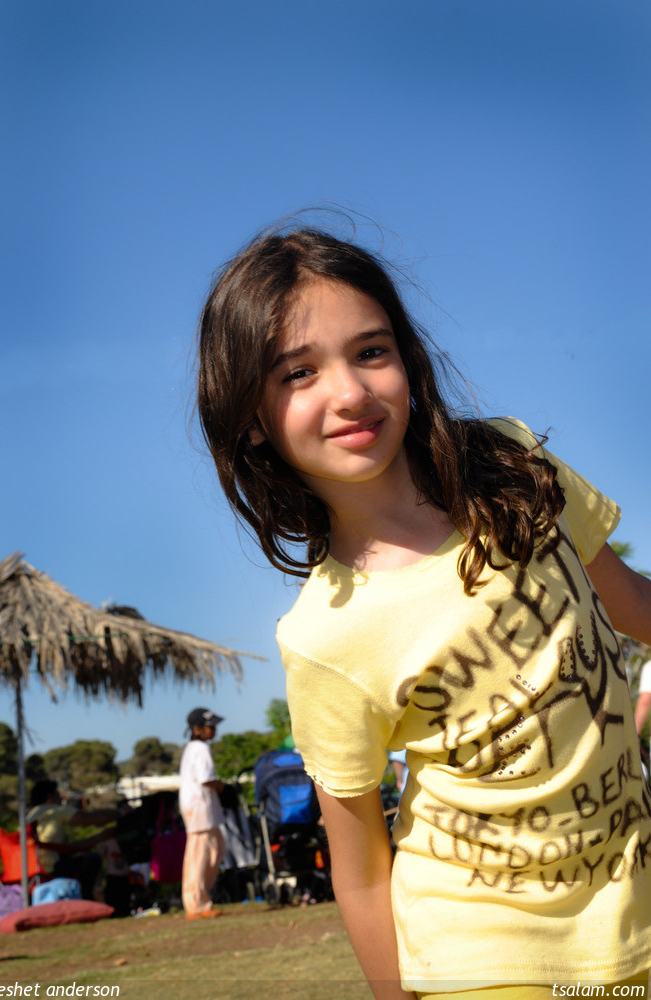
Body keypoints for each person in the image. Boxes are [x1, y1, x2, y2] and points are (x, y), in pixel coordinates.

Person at [194, 225, 651, 998]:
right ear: (252, 419)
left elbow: (635, 604)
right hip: (483, 958)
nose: (350, 392)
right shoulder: (325, 636)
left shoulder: (512, 466)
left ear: (407, 358)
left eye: (371, 351)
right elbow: (362, 869)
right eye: (299, 372)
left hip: (634, 915)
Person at [27, 779, 121, 899]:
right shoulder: (54, 810)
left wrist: (99, 837)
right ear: (50, 796)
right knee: (92, 859)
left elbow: (61, 847)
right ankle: (85, 899)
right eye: (58, 794)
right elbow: (91, 819)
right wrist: (121, 812)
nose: (61, 798)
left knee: (80, 857)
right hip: (50, 868)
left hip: (31, 868)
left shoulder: (31, 815)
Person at [178, 707, 226, 919]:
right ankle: (196, 904)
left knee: (216, 850)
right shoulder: (199, 749)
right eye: (209, 726)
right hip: (199, 807)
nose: (213, 730)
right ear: (196, 729)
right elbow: (206, 779)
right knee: (199, 856)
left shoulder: (194, 748)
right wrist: (222, 786)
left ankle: (201, 896)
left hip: (202, 808)